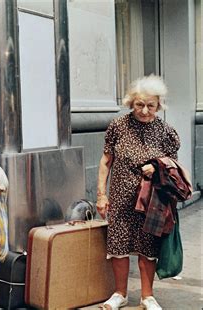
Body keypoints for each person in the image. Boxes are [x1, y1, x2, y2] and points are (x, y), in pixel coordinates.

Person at [96, 75, 180, 310]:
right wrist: (101, 195)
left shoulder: (166, 132)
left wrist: (158, 166)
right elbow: (105, 161)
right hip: (121, 198)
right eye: (139, 104)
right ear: (131, 102)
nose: (144, 111)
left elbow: (173, 164)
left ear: (158, 106)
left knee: (148, 246)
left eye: (150, 106)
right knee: (118, 246)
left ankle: (147, 296)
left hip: (152, 200)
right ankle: (120, 294)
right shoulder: (118, 126)